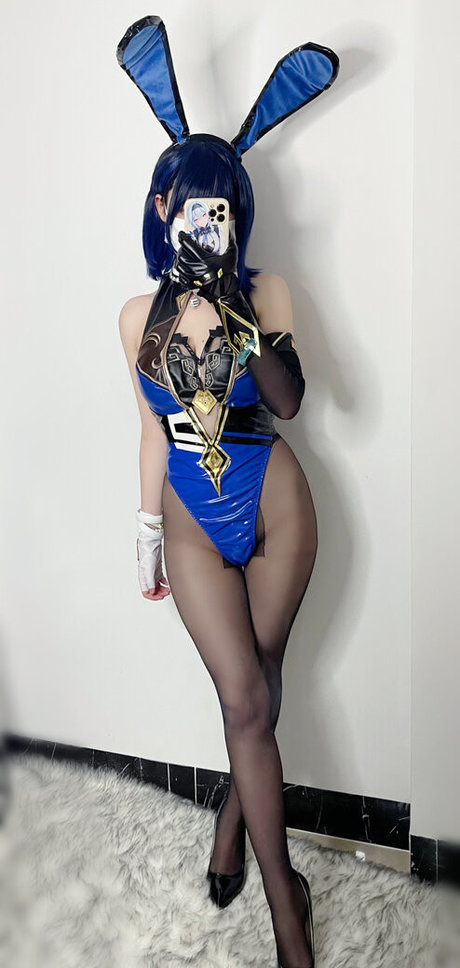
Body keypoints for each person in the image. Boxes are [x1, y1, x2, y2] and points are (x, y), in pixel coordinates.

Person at [116, 17, 339, 967]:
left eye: (221, 209)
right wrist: (145, 530)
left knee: (258, 690)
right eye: (191, 208)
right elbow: (149, 429)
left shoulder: (268, 290)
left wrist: (236, 309)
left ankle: (274, 893)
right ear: (163, 209)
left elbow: (290, 403)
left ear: (236, 213)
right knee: (246, 696)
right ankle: (270, 868)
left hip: (277, 505)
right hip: (193, 522)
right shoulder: (135, 315)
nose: (206, 222)